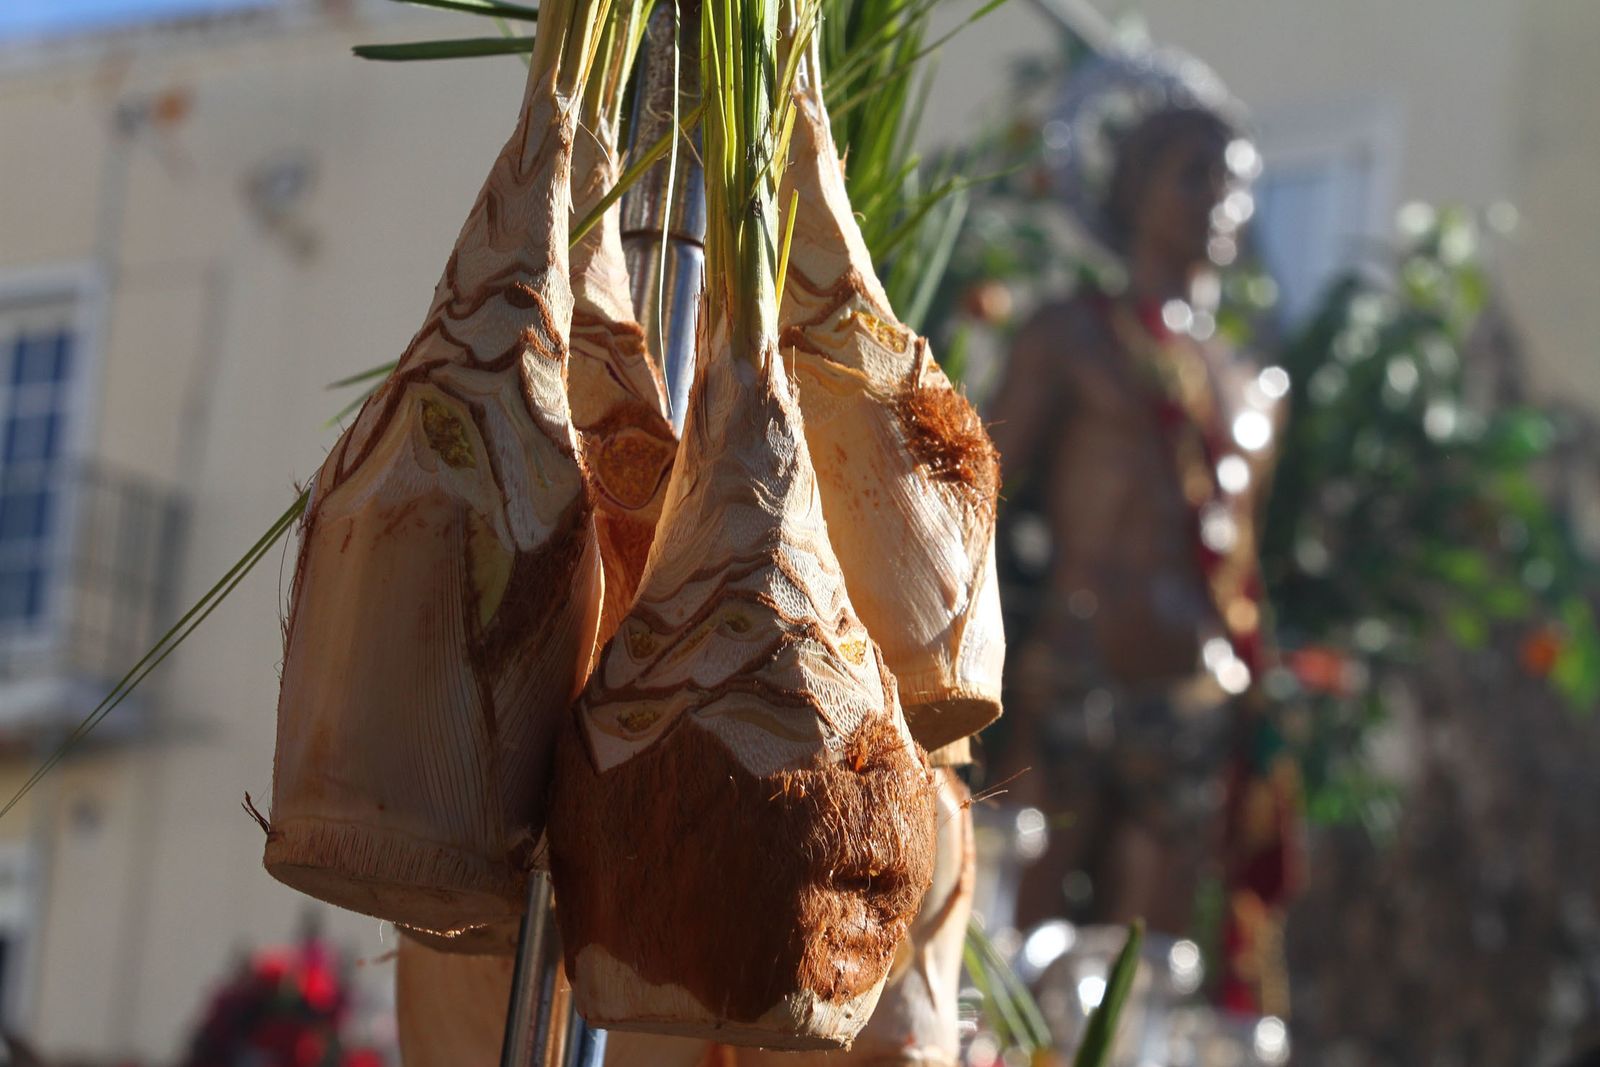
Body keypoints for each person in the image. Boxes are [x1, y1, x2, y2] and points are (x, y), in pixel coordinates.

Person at [986, 49, 1299, 1015]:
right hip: (1076, 668)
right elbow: (970, 495)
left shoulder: (1256, 390)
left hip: (1194, 695)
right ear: (1131, 184)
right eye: (1195, 172)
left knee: (1149, 965)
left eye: (1237, 182)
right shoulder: (1068, 338)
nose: (1220, 200)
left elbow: (1242, 559)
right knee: (1022, 946)